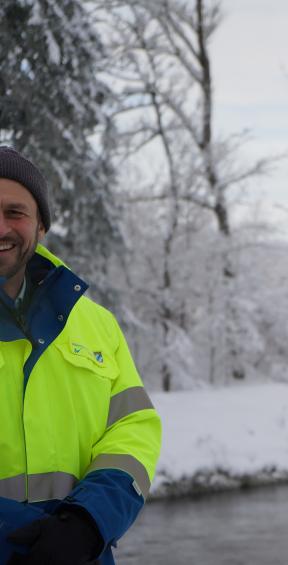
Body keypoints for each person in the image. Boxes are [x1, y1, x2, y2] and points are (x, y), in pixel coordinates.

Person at [0, 147, 161, 565]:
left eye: (14, 212)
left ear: (41, 226)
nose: (1, 226)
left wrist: (88, 521)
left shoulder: (95, 322)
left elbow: (132, 429)